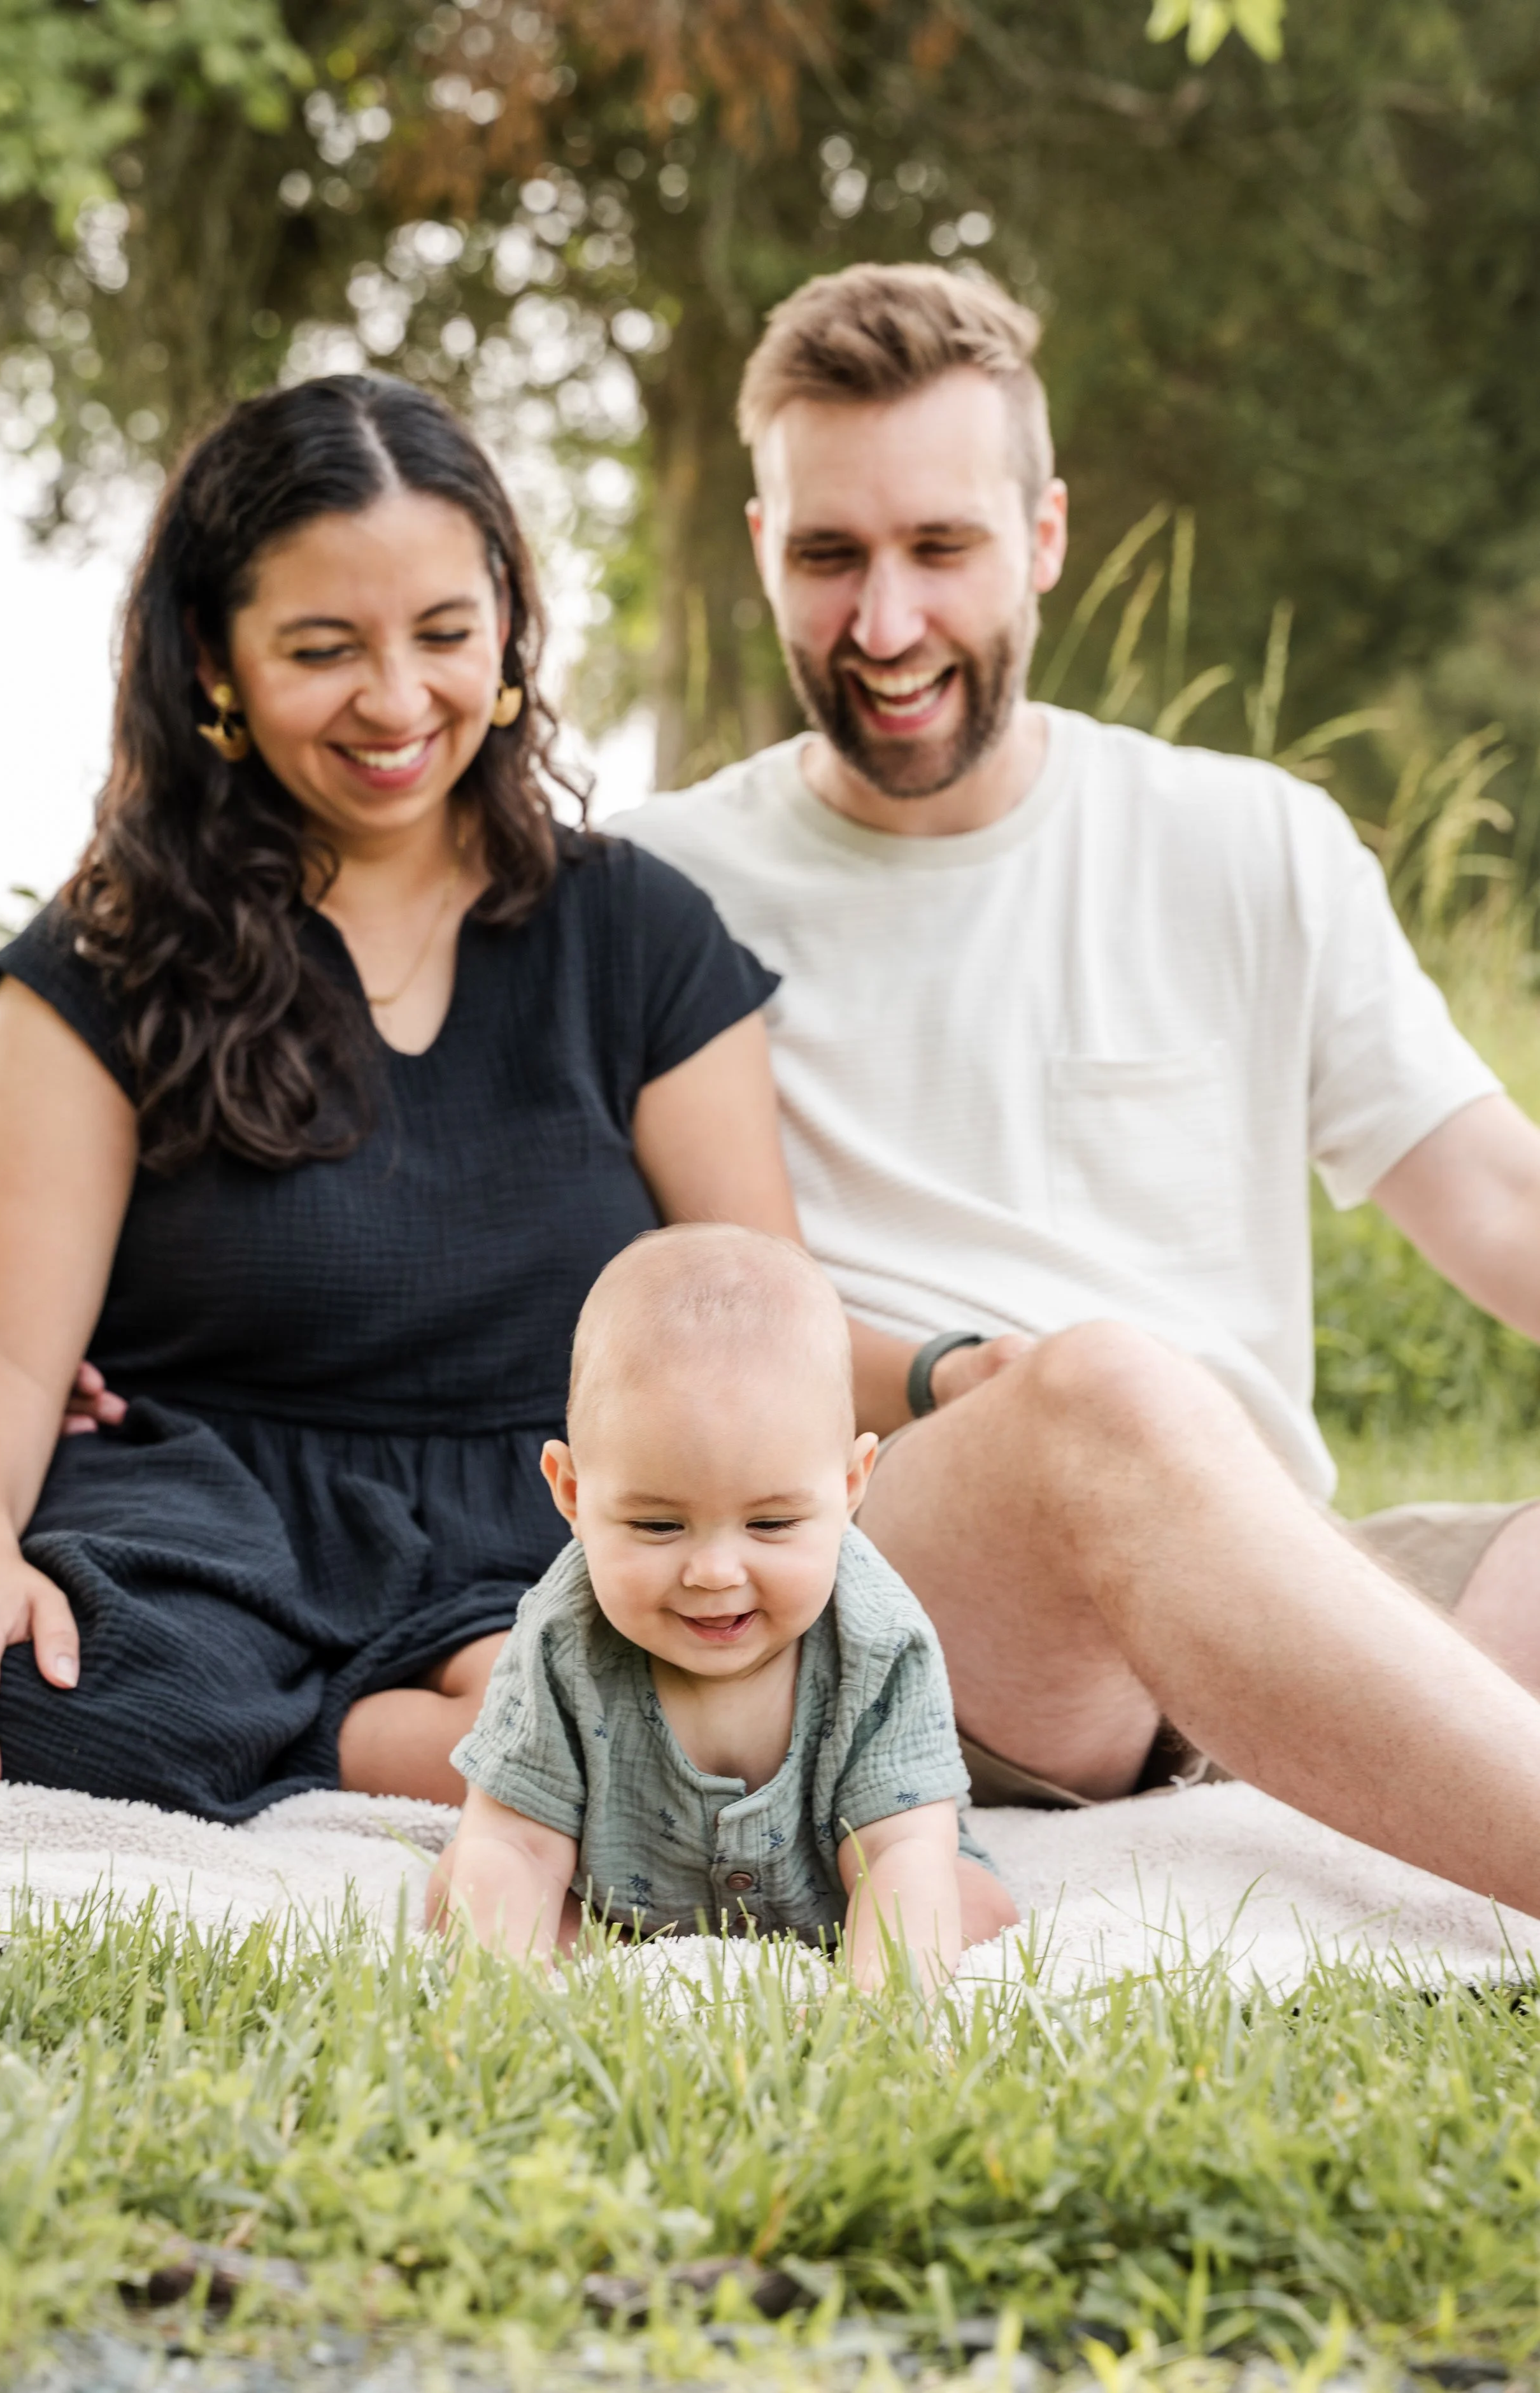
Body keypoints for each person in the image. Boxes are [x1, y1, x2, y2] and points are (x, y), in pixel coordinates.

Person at [620, 263, 1540, 1916]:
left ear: (1041, 537)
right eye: (828, 555)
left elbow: (1494, 1196)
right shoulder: (655, 890)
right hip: (920, 1582)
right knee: (1108, 1391)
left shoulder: (1245, 839)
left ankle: (1346, 1731)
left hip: (1260, 1566)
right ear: (763, 550)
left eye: (940, 549)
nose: (883, 627)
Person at [0, 373, 803, 1818]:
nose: (398, 700)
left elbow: (761, 1311)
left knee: (719, 1705)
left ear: (510, 631)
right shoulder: (91, 969)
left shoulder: (639, 935)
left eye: (445, 634)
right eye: (322, 647)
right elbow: (4, 1363)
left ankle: (459, 1728)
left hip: (539, 1518)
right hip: (207, 1523)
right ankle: (450, 1747)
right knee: (30, 1681)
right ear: (213, 659)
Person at [430, 1224, 1017, 1986]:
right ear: (572, 1492)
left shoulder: (880, 1637)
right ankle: (630, 1981)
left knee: (970, 1904)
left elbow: (899, 1848)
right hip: (623, 1909)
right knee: (465, 1887)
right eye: (656, 1524)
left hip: (840, 1904)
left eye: (770, 1523)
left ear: (848, 1486)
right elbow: (518, 1842)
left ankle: (849, 1976)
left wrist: (888, 2010)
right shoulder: (559, 1635)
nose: (713, 1571)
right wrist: (497, 1992)